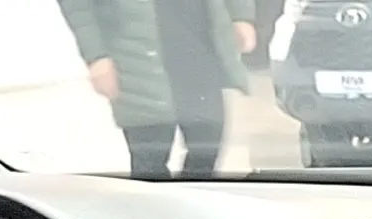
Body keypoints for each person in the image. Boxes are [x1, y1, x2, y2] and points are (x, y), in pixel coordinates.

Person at [57, 0, 258, 179]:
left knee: (207, 149)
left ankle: (188, 206)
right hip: (136, 54)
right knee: (150, 161)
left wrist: (242, 14)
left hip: (199, 45)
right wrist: (96, 55)